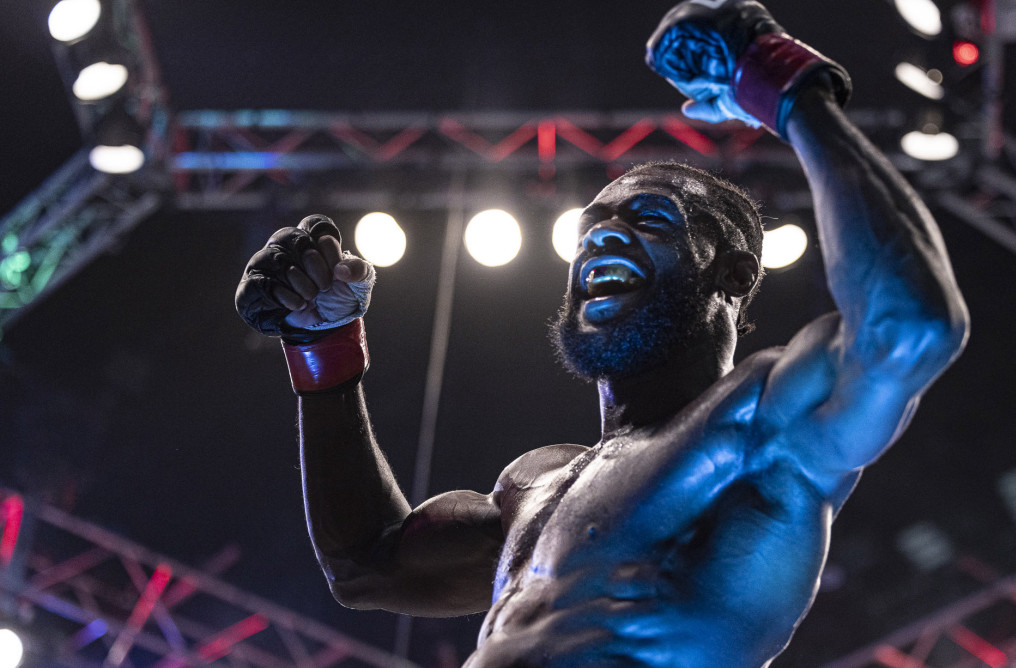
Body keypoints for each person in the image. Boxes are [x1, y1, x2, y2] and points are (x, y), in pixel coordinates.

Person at [234, 1, 969, 665]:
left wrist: (786, 86)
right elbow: (365, 564)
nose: (601, 240)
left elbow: (908, 328)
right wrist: (322, 346)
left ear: (736, 275)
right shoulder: (536, 483)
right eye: (590, 229)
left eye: (649, 220)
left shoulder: (757, 428)